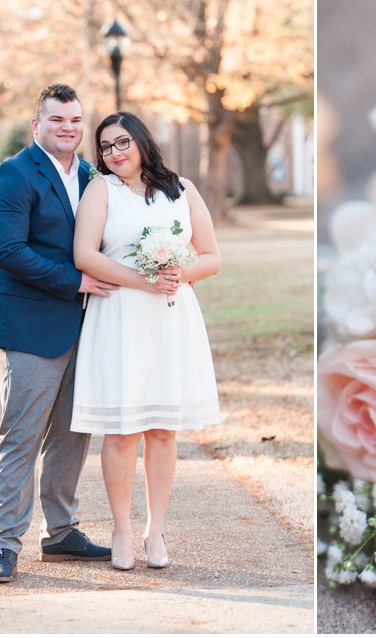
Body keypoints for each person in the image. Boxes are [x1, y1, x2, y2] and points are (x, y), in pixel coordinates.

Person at [71, 111, 221, 571]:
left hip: (170, 318)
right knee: (121, 431)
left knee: (161, 429)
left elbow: (211, 256)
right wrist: (143, 280)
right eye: (105, 147)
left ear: (140, 141)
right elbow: (85, 254)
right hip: (120, 316)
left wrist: (179, 272)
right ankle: (121, 528)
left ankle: (155, 529)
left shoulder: (182, 189)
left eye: (122, 143)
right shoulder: (101, 191)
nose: (114, 153)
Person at [0, 83, 118, 583]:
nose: (68, 128)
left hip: (85, 326)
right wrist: (76, 280)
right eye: (57, 119)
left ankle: (61, 532)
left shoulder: (90, 175)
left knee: (73, 432)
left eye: (76, 120)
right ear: (36, 124)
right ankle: (3, 544)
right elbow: (9, 252)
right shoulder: (14, 174)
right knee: (22, 436)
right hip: (30, 329)